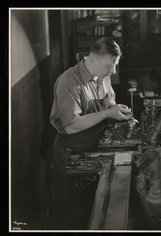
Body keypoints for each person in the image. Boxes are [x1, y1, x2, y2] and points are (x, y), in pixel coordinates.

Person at [49, 37, 131, 229]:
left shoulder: (103, 75)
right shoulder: (68, 81)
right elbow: (71, 125)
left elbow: (108, 99)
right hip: (71, 153)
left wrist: (115, 107)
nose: (113, 71)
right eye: (109, 66)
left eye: (115, 65)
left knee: (90, 211)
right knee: (69, 216)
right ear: (92, 60)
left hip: (95, 149)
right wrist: (108, 113)